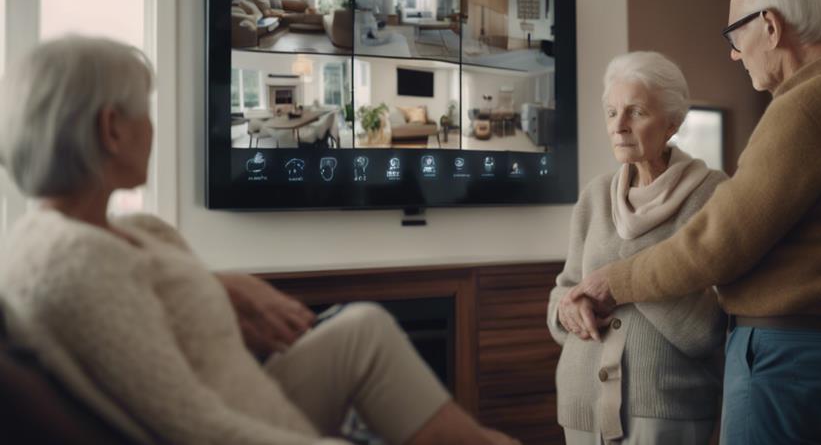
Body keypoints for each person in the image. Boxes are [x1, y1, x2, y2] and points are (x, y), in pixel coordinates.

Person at [0, 35, 518, 445]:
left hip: (249, 389)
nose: (153, 130)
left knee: (364, 326)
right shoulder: (76, 264)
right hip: (242, 420)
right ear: (112, 129)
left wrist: (223, 285)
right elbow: (189, 424)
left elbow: (162, 302)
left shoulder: (125, 232)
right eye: (146, 112)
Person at [565, 0, 821, 444]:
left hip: (789, 351)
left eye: (735, 35)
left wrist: (613, 281)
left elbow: (717, 243)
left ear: (770, 27)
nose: (734, 52)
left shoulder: (806, 106)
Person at [547, 51, 727, 445]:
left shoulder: (713, 195)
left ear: (673, 123)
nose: (619, 126)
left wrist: (626, 282)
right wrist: (568, 307)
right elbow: (564, 291)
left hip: (666, 406)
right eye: (612, 113)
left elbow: (712, 328)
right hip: (581, 404)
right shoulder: (594, 196)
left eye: (636, 112)